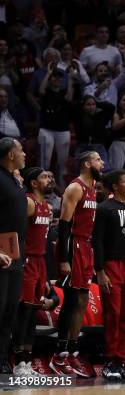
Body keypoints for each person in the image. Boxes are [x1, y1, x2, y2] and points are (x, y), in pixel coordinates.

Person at [50, 151, 103, 377]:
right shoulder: (75, 188)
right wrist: (63, 259)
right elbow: (63, 226)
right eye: (98, 159)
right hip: (73, 246)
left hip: (86, 246)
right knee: (72, 300)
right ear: (87, 163)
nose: (102, 163)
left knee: (82, 299)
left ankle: (72, 352)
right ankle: (58, 355)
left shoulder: (93, 189)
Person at [93, 169, 125, 381]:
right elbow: (98, 242)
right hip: (112, 265)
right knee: (113, 314)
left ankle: (122, 360)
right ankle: (110, 360)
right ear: (115, 186)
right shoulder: (105, 208)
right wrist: (100, 272)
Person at [12, 168, 52, 376]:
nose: (50, 180)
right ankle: (18, 361)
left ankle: (27, 361)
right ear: (34, 183)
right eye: (45, 177)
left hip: (40, 261)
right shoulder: (28, 202)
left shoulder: (47, 206)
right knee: (24, 311)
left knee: (34, 311)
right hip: (27, 260)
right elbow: (15, 231)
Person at [0, 138, 26, 374]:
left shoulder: (15, 181)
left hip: (16, 252)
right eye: (21, 150)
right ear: (10, 155)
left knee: (10, 310)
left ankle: (1, 360)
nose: (24, 154)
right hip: (1, 253)